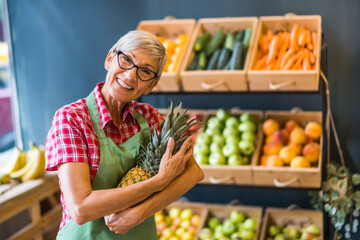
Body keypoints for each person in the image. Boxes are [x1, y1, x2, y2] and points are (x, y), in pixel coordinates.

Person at [45, 30, 204, 239]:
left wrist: (140, 212)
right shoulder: (72, 119)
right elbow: (81, 208)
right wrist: (158, 182)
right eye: (127, 59)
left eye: (145, 71)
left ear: (151, 85)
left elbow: (194, 173)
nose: (130, 75)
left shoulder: (149, 117)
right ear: (109, 58)